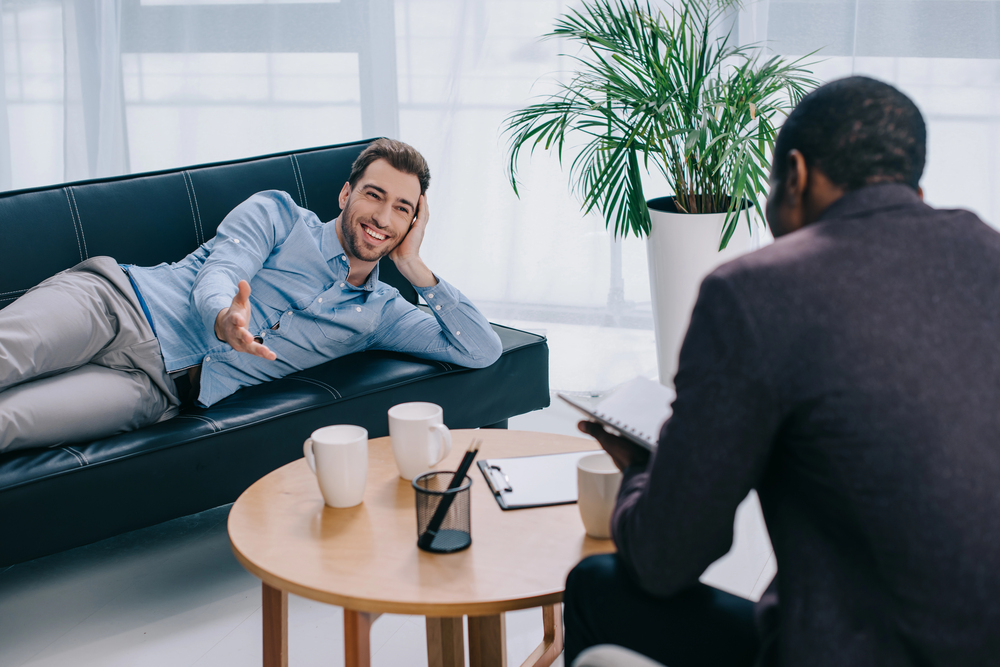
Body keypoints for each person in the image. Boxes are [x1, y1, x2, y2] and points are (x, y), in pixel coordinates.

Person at [564, 76, 1000, 666]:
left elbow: (667, 560)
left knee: (598, 585)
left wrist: (645, 474)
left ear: (795, 174)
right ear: (914, 185)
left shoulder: (756, 291)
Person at [0, 138, 502, 453]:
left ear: (413, 222)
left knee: (9, 423)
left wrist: (413, 266)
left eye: (402, 209)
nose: (383, 218)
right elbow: (222, 271)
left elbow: (480, 349)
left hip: (154, 390)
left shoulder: (380, 314)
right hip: (115, 305)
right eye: (374, 195)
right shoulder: (278, 213)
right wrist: (225, 317)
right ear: (347, 195)